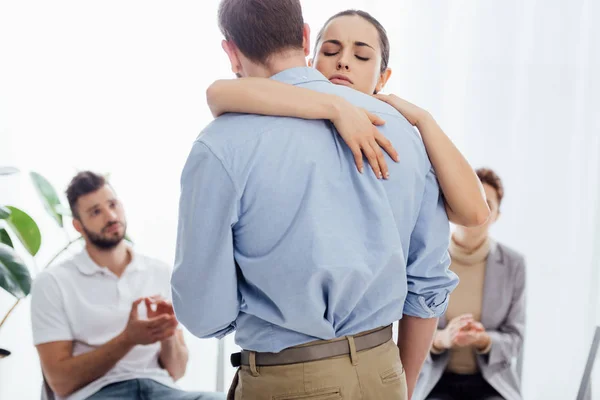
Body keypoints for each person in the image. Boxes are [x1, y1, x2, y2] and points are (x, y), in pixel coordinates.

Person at [171, 1, 458, 399]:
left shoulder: (220, 145)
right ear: (306, 37)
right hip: (385, 372)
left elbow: (204, 314)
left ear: (230, 52)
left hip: (288, 378)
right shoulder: (402, 131)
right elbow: (428, 282)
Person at [205, 9, 490, 228]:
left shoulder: (400, 137)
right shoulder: (284, 100)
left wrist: (425, 120)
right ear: (310, 61)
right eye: (330, 51)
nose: (343, 61)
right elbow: (219, 92)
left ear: (383, 78)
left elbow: (475, 213)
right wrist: (336, 108)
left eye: (362, 56)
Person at [30, 171, 224, 400]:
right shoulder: (53, 282)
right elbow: (60, 383)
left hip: (161, 390)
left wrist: (167, 333)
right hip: (97, 394)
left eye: (113, 204)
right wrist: (128, 339)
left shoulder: (158, 271)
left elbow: (177, 371)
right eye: (95, 212)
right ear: (78, 226)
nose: (111, 216)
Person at [413, 168, 526, 400]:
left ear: (497, 216)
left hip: (491, 384)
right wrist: (440, 340)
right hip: (436, 382)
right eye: (469, 200)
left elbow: (516, 338)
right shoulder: (426, 257)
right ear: (451, 204)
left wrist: (485, 340)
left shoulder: (514, 264)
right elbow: (402, 331)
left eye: (488, 205)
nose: (476, 211)